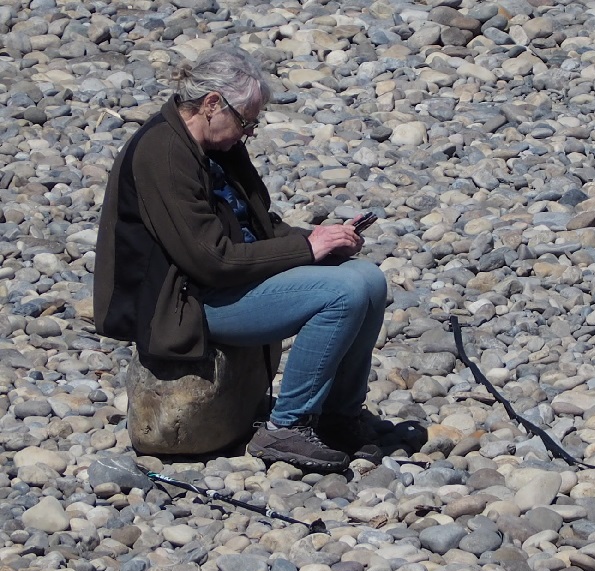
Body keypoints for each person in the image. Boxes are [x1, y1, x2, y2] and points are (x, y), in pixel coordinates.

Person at [93, 47, 388, 473]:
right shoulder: (165, 153)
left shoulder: (217, 146)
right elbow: (211, 259)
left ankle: (339, 416)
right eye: (246, 120)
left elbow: (258, 227)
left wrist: (321, 239)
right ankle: (287, 427)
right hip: (184, 302)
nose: (248, 132)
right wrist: (307, 250)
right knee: (341, 293)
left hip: (224, 283)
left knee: (369, 279)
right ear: (212, 103)